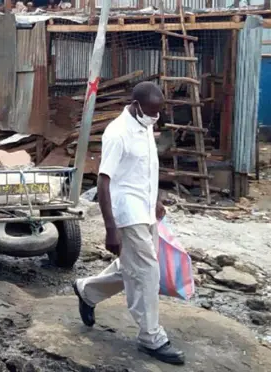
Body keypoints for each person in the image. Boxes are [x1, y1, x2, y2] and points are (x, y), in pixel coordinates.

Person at [72, 82, 185, 366]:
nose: (155, 117)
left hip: (146, 210)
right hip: (127, 213)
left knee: (131, 267)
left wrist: (156, 200)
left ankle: (87, 290)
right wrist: (111, 228)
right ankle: (151, 337)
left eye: (159, 112)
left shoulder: (145, 125)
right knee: (147, 271)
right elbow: (103, 180)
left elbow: (148, 168)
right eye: (151, 112)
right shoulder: (117, 133)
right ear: (136, 106)